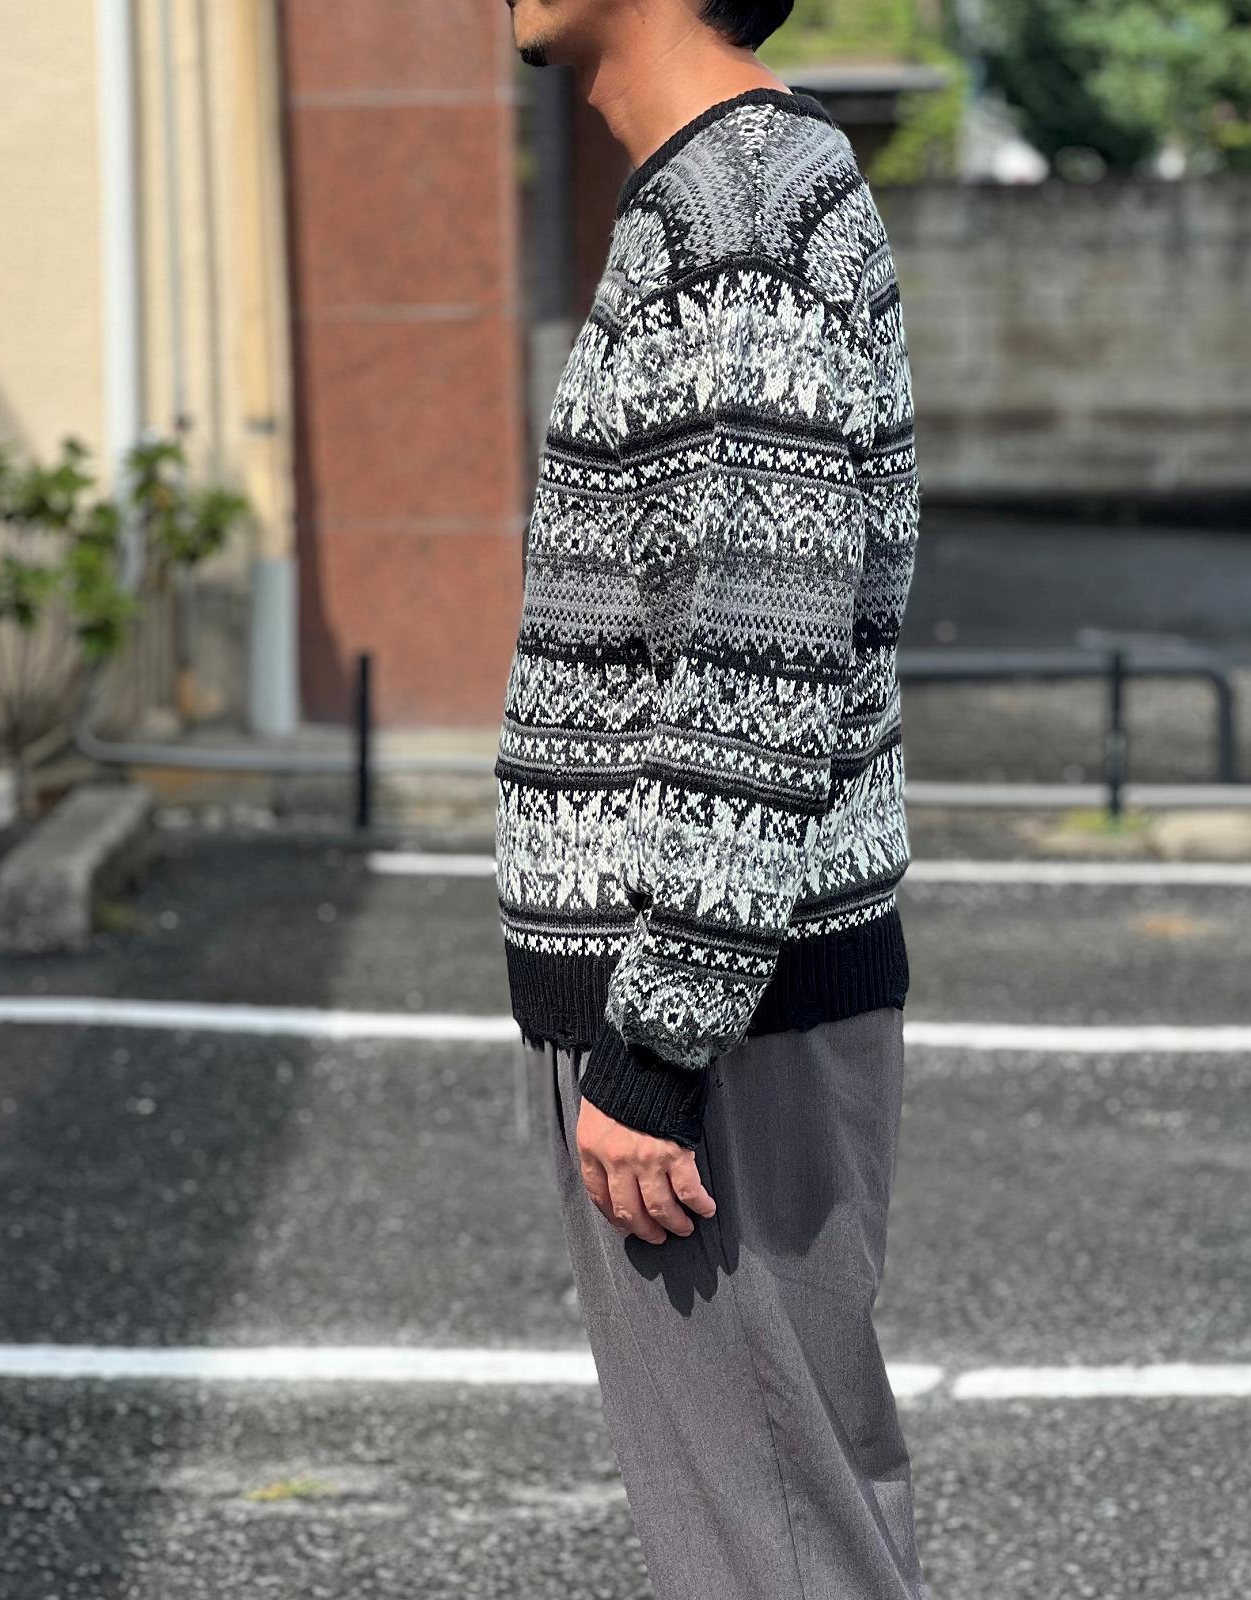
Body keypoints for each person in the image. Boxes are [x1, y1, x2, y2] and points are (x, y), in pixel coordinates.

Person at [495, 1, 926, 1594]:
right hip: (728, 996)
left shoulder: (738, 224)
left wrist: (659, 1047)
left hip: (717, 1021)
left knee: (769, 1545)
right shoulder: (724, 197)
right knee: (790, 1518)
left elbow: (760, 662)